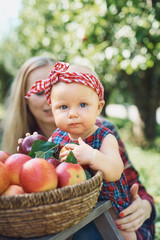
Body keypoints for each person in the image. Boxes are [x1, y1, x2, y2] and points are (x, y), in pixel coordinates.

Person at [2, 56, 155, 239]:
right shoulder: (57, 137)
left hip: (109, 206)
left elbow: (116, 171)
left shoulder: (104, 136)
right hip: (72, 209)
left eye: (82, 105)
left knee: (122, 234)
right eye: (63, 106)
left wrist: (93, 157)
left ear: (98, 107)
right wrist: (32, 148)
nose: (73, 113)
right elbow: (43, 167)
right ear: (54, 108)